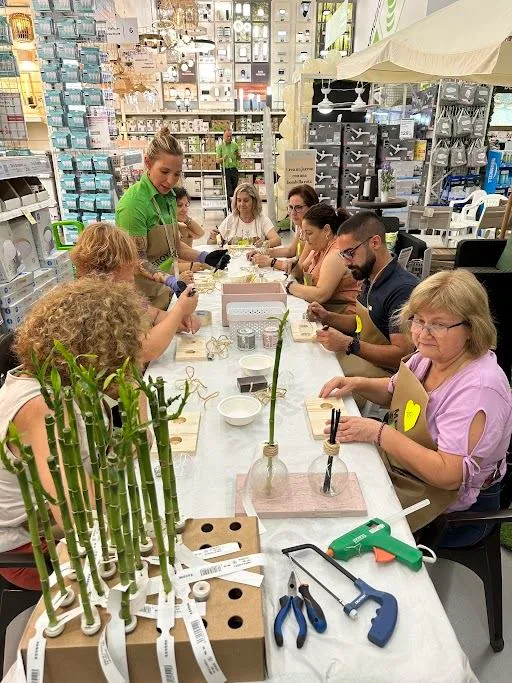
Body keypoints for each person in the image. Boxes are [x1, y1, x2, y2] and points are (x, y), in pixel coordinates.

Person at [320, 269, 512, 533]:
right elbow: (394, 390)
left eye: (439, 324)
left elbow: (448, 475)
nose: (422, 333)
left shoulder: (478, 388)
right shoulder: (430, 356)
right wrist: (356, 383)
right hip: (409, 474)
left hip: (448, 508)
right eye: (418, 320)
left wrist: (379, 432)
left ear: (471, 328)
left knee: (339, 517)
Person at [0, 277, 150, 589]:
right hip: (31, 549)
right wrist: (136, 406)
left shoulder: (53, 380)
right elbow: (81, 515)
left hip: (49, 518)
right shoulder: (44, 408)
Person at [116, 126, 230, 309]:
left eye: (176, 174)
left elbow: (174, 246)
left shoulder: (168, 198)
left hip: (166, 291)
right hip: (143, 300)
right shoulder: (133, 205)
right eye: (164, 171)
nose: (170, 181)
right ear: (148, 163)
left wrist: (205, 257)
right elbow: (137, 262)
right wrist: (170, 280)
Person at [309, 211, 418, 379]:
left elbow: (402, 356)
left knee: (316, 371)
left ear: (375, 242)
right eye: (342, 255)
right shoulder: (370, 277)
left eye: (350, 253)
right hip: (365, 360)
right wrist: (327, 317)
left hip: (387, 376)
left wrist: (349, 344)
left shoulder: (402, 290)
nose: (346, 262)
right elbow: (361, 323)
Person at [71, 222, 200, 363]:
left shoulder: (120, 293)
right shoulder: (98, 305)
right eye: (128, 268)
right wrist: (179, 310)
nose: (132, 277)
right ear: (111, 268)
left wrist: (177, 321)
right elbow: (144, 350)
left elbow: (153, 315)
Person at [284, 203, 360, 314]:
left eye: (309, 233)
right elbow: (301, 270)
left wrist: (289, 286)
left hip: (343, 316)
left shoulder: (335, 255)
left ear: (326, 230)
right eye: (303, 233)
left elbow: (320, 295)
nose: (305, 238)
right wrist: (294, 266)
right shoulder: (318, 248)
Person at [247, 184, 319, 273]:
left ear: (312, 208)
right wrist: (263, 251)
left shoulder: (312, 233)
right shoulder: (301, 228)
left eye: (298, 207)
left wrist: (271, 262)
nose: (293, 213)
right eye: (291, 207)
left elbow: (299, 269)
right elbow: (291, 251)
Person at [208, 183, 281, 247]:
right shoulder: (231, 219)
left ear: (254, 201)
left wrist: (264, 244)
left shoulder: (262, 219)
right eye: (239, 200)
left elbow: (277, 240)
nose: (242, 204)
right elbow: (211, 243)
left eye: (246, 201)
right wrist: (214, 239)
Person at [174, 187, 208, 274]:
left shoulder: (183, 225)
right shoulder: (165, 228)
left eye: (186, 205)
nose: (184, 209)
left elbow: (200, 233)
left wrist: (186, 219)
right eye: (179, 205)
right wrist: (199, 265)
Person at [216, 127, 241, 210]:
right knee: (228, 190)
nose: (229, 138)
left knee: (235, 190)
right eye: (227, 136)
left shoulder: (235, 145)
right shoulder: (220, 147)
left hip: (234, 169)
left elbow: (239, 158)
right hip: (225, 170)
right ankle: (229, 208)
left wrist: (238, 155)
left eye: (230, 136)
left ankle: (234, 207)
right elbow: (217, 161)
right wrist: (223, 158)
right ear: (224, 136)